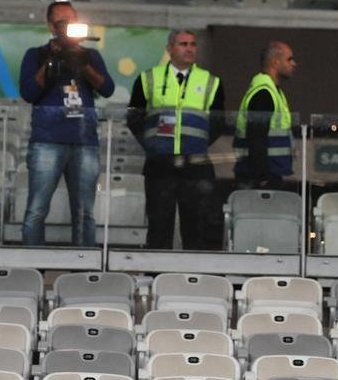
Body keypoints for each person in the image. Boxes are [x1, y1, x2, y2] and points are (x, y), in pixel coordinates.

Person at [19, 1, 114, 247]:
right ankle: (33, 267)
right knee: (36, 210)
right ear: (51, 26)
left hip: (84, 141)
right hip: (46, 141)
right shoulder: (35, 54)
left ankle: (83, 271)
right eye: (61, 22)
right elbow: (28, 92)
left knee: (85, 213)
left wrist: (82, 64)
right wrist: (51, 59)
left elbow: (107, 88)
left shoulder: (90, 55)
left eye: (71, 21)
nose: (67, 26)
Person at [126, 29, 227, 249]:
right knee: (159, 224)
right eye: (183, 44)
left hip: (195, 163)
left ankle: (192, 276)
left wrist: (197, 145)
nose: (189, 48)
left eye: (192, 44)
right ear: (169, 49)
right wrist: (151, 145)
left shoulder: (211, 81)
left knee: (195, 225)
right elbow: (134, 118)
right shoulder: (148, 78)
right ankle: (156, 276)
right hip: (160, 162)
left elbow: (219, 122)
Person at [233, 41, 297, 189]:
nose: (294, 64)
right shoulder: (264, 93)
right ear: (275, 62)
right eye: (289, 59)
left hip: (264, 174)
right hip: (260, 178)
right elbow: (256, 138)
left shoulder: (271, 91)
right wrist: (263, 177)